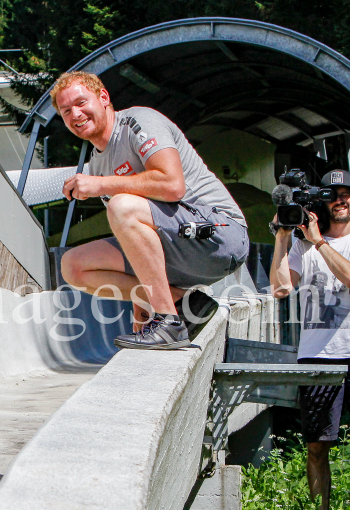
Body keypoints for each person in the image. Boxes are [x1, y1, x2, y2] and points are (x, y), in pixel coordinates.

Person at [50, 71, 250, 349]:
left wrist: (99, 185)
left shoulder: (138, 122)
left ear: (104, 97)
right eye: (66, 110)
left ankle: (169, 322)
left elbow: (172, 185)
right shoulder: (97, 165)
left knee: (122, 205)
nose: (76, 114)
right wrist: (142, 306)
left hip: (219, 235)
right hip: (176, 251)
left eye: (82, 102)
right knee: (73, 266)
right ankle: (177, 303)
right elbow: (135, 237)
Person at [269, 169, 350, 510]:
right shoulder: (302, 245)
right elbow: (282, 288)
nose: (339, 200)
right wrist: (283, 236)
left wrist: (320, 243)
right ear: (324, 202)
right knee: (316, 446)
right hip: (315, 354)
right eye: (332, 195)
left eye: (346, 193)